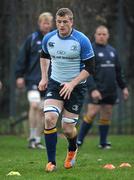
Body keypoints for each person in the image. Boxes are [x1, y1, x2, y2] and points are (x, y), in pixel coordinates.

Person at [38, 8, 94, 172]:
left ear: (71, 22)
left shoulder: (81, 40)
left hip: (76, 87)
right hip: (55, 84)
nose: (61, 25)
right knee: (49, 118)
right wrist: (44, 77)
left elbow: (90, 68)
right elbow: (44, 55)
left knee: (68, 129)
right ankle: (51, 162)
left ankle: (72, 148)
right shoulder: (49, 38)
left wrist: (72, 83)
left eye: (65, 22)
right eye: (59, 22)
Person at [77, 25, 129, 149]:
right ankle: (79, 140)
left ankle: (103, 142)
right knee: (92, 112)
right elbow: (86, 72)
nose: (101, 36)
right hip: (96, 89)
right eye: (99, 34)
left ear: (108, 36)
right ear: (95, 35)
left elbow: (118, 71)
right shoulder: (91, 50)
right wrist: (93, 89)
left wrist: (124, 87)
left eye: (104, 34)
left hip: (110, 89)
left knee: (107, 113)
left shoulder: (112, 51)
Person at [15, 12, 53, 149]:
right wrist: (19, 75)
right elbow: (22, 58)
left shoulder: (54, 39)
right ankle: (31, 137)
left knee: (44, 111)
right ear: (39, 23)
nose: (46, 25)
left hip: (49, 82)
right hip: (32, 80)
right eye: (44, 23)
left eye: (48, 23)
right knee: (34, 106)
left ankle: (37, 139)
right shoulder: (32, 39)